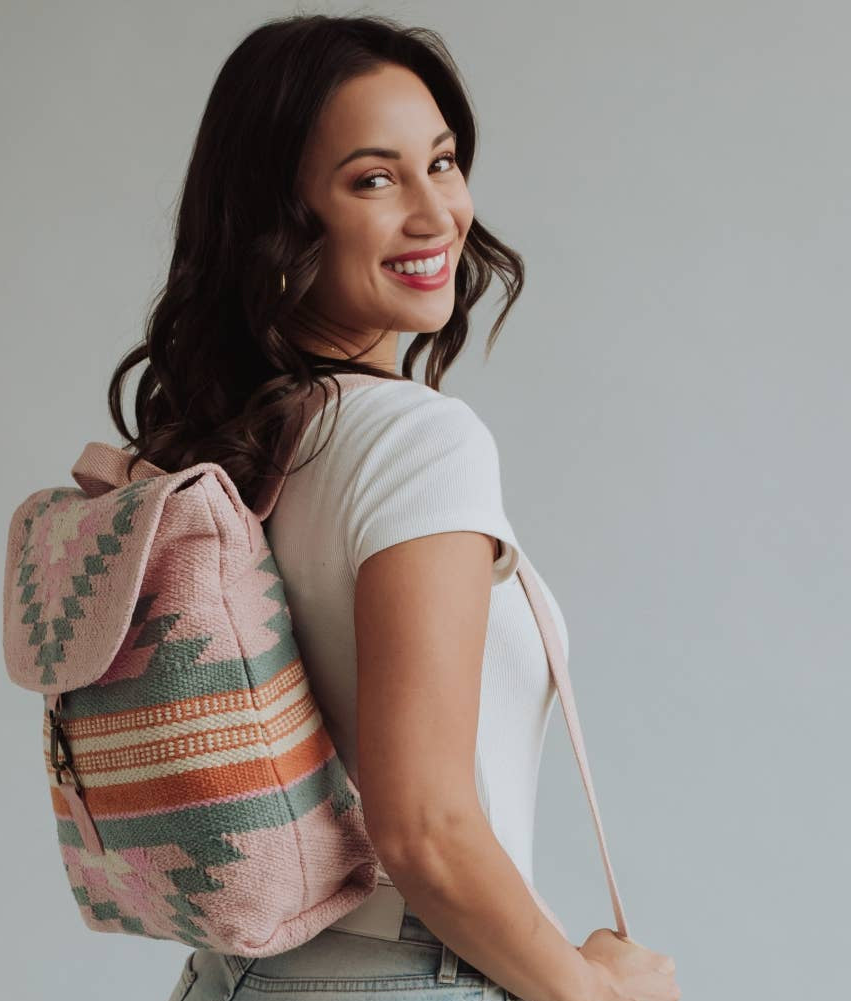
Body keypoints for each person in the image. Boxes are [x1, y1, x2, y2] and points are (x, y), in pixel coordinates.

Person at [108, 13, 680, 1001]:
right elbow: (422, 827)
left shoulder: (235, 447)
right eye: (373, 179)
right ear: (278, 216)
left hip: (235, 973)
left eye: (444, 163)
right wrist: (594, 993)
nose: (435, 213)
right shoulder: (419, 442)